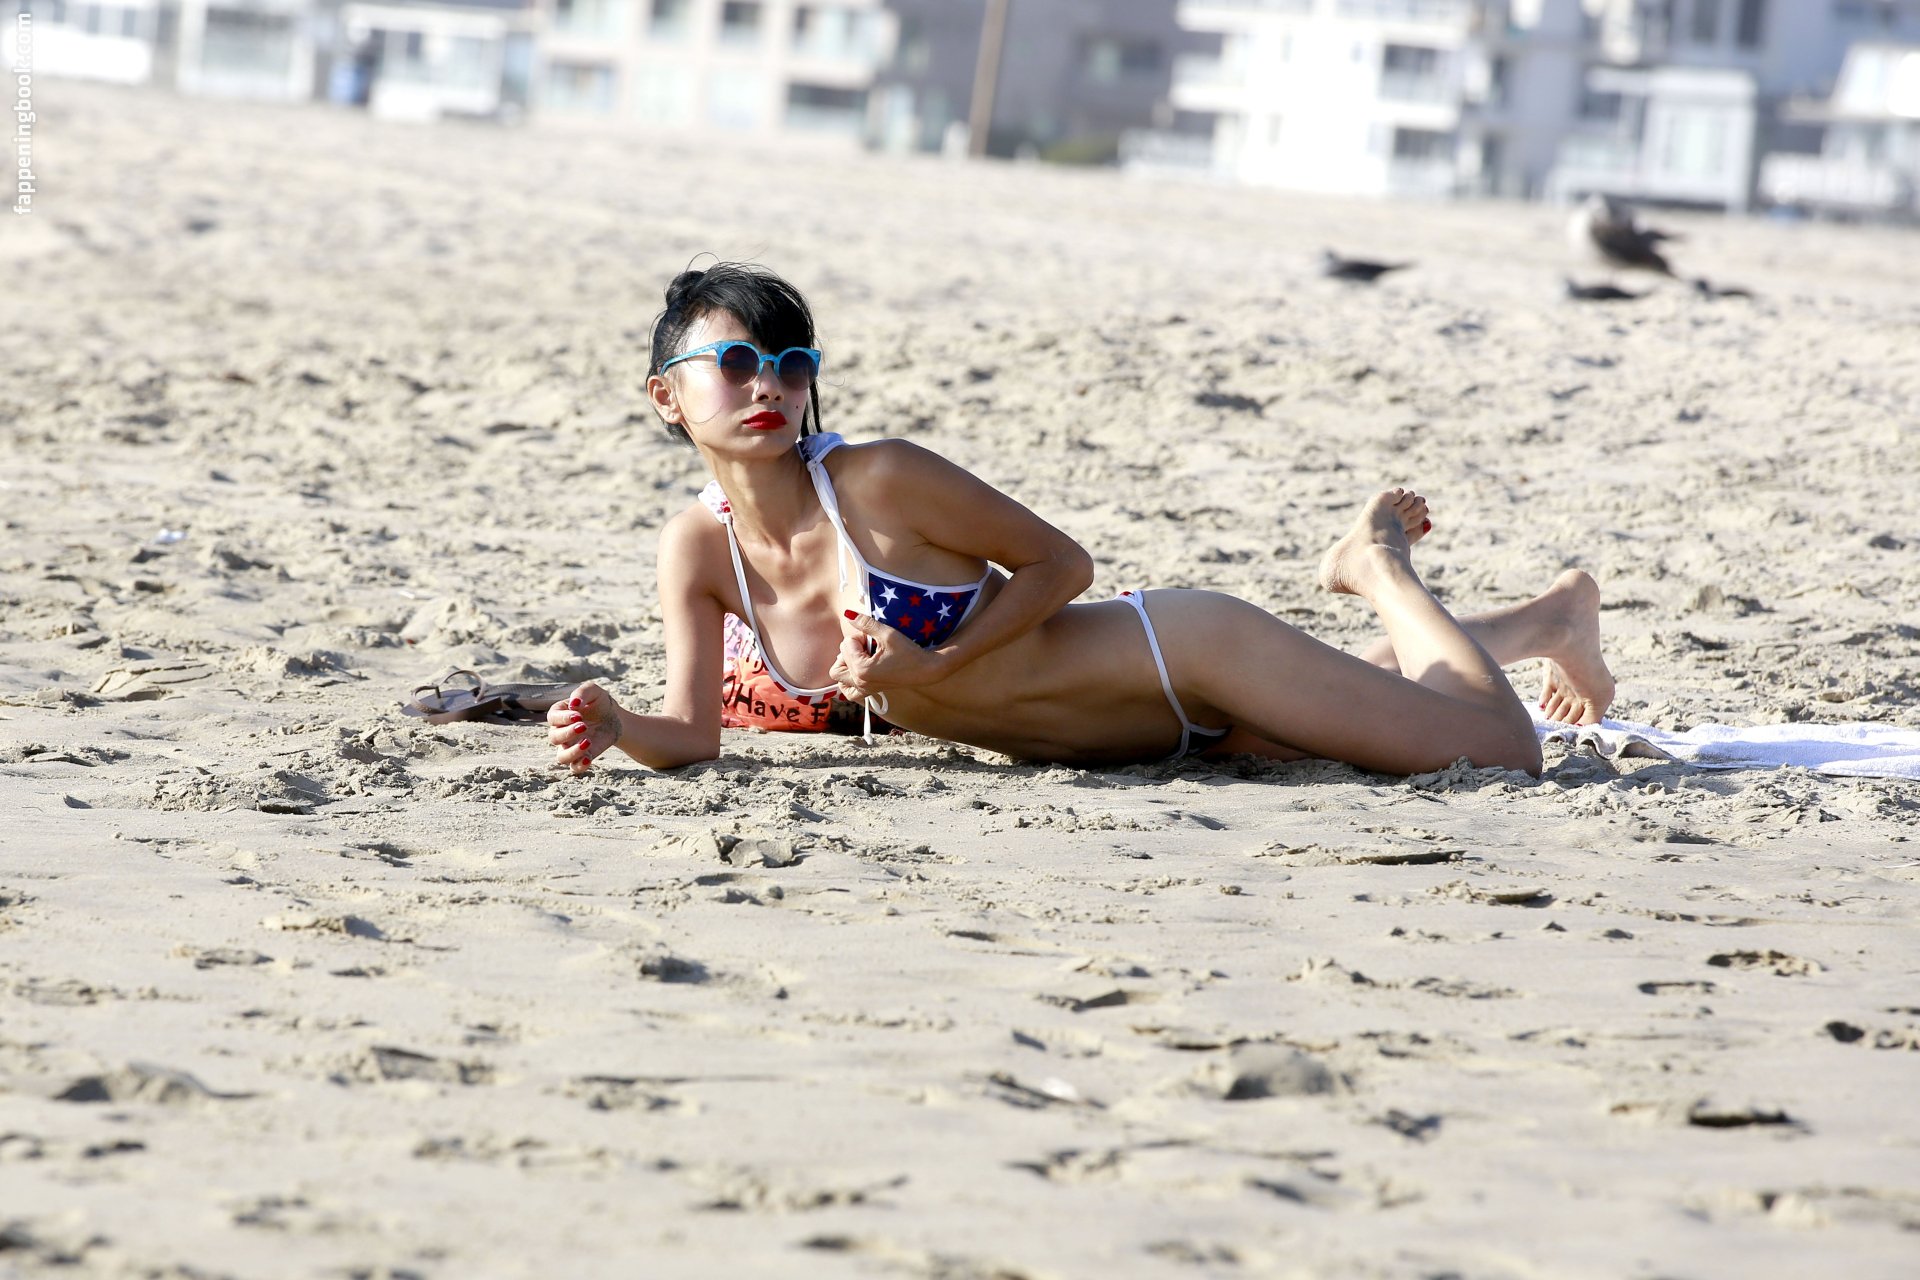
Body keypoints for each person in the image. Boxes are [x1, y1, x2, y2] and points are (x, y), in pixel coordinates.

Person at [548, 264, 1614, 779]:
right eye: (736, 361)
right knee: (1383, 700)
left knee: (1499, 753)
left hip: (1183, 655)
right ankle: (1545, 621)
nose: (768, 385)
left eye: (791, 364)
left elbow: (1062, 564)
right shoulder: (699, 548)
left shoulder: (877, 478)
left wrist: (935, 660)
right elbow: (691, 735)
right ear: (666, 396)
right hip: (1143, 742)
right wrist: (615, 723)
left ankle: (1378, 566)